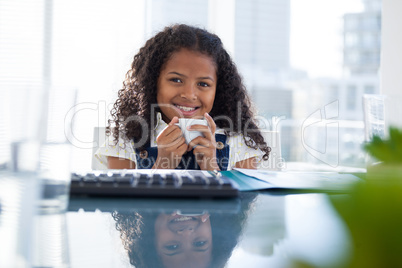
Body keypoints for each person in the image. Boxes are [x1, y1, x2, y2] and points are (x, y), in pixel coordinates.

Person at [95, 24, 270, 171]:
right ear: (152, 81)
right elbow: (123, 206)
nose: (189, 94)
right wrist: (163, 165)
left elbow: (243, 207)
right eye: (176, 80)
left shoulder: (237, 139)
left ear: (219, 89)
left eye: (203, 84)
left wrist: (211, 166)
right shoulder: (126, 137)